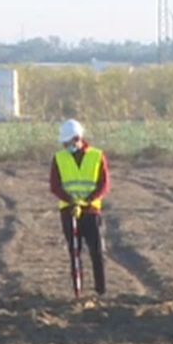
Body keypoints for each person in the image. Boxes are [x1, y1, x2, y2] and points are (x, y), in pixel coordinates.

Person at [50, 118, 111, 297]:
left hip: (91, 211)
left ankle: (101, 290)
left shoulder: (97, 156)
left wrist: (87, 201)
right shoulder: (59, 158)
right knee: (74, 252)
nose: (66, 146)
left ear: (78, 139)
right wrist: (71, 201)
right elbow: (55, 185)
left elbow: (104, 184)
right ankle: (78, 290)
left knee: (96, 251)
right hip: (68, 211)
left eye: (68, 142)